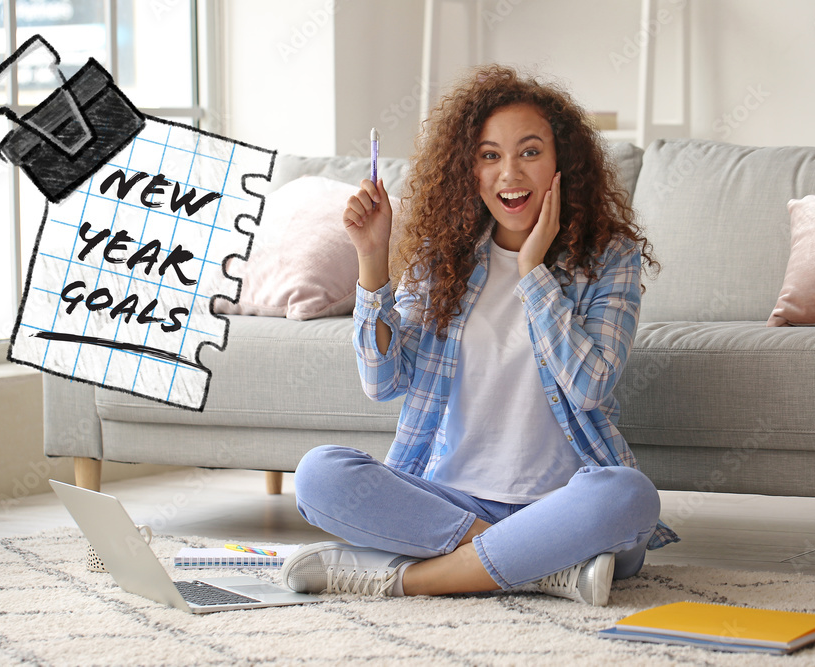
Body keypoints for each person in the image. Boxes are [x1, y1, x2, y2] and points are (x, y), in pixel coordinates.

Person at [281, 64, 678, 606]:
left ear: (563, 162)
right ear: (468, 168)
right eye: (490, 155)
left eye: (530, 151)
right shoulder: (443, 258)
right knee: (319, 474)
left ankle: (411, 577)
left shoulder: (611, 257)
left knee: (629, 495)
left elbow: (589, 386)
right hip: (454, 502)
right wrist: (372, 257)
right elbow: (384, 383)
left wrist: (534, 272)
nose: (509, 173)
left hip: (566, 506)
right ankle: (543, 567)